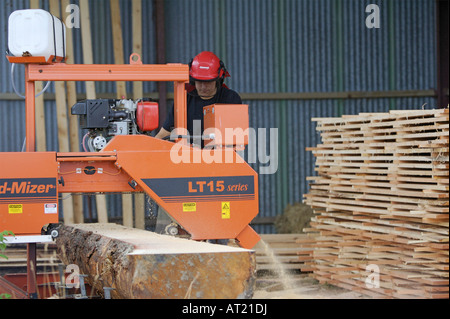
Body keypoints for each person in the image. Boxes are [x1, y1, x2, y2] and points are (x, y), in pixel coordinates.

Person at [155, 51, 242, 142]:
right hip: (187, 154)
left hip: (221, 154)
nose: (203, 87)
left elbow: (236, 137)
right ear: (193, 80)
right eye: (199, 82)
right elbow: (164, 134)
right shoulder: (184, 100)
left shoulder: (230, 99)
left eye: (208, 82)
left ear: (218, 80)